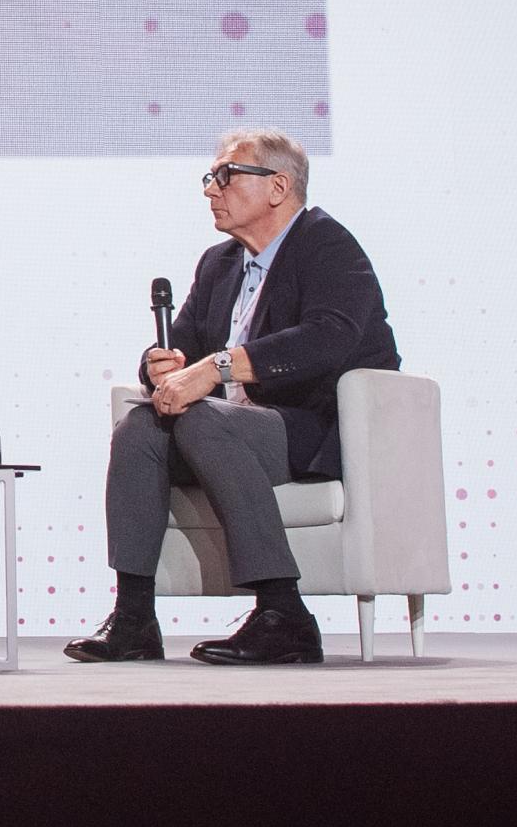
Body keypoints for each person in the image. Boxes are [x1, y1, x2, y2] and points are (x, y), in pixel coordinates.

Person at [72, 129, 400, 668]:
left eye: (225, 176)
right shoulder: (219, 263)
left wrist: (215, 369)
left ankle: (283, 614)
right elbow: (181, 344)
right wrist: (161, 366)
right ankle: (133, 618)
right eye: (210, 178)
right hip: (229, 427)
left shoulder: (325, 243)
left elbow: (328, 337)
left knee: (204, 421)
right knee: (138, 427)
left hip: (309, 428)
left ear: (277, 186)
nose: (211, 190)